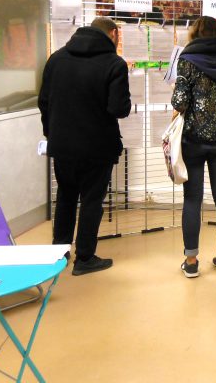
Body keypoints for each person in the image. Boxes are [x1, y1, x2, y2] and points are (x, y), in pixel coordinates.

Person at [38, 17, 130, 276]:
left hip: (63, 145)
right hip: (98, 147)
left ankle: (59, 252)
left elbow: (44, 101)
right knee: (92, 201)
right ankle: (85, 258)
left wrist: (52, 133)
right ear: (113, 34)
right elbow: (119, 109)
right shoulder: (114, 64)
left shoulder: (56, 59)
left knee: (66, 196)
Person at [171, 16, 216, 278]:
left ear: (196, 35)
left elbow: (179, 101)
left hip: (193, 139)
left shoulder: (187, 61)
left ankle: (191, 262)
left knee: (192, 198)